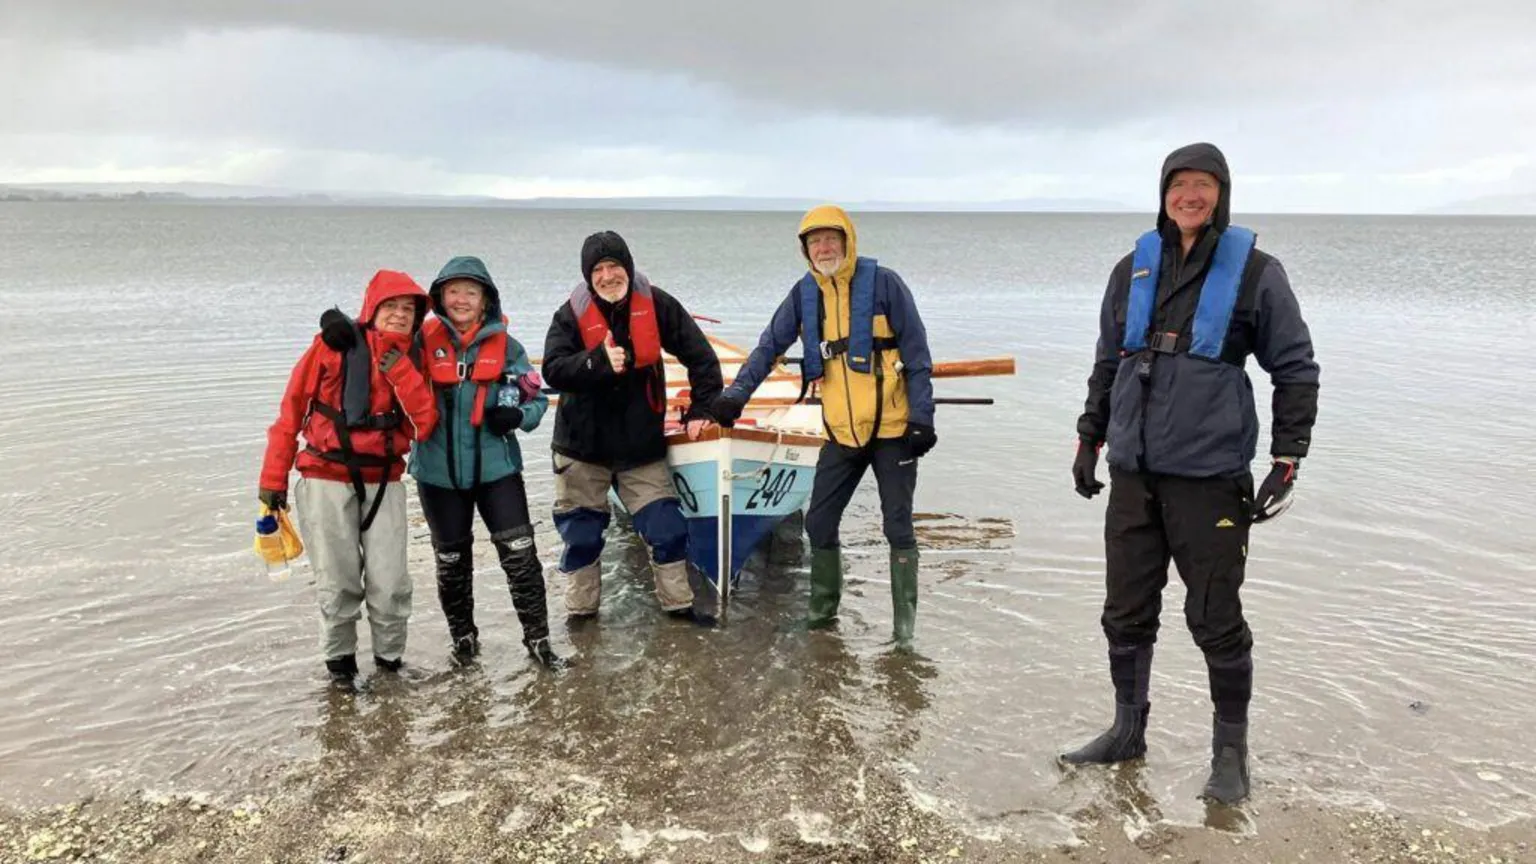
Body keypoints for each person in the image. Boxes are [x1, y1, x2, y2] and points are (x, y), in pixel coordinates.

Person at [1061, 143, 1320, 806]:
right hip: (1135, 473)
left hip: (1210, 476)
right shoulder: (1132, 270)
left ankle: (1229, 755)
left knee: (1215, 618)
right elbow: (1107, 361)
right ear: (1164, 194)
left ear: (1222, 194)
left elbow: (1295, 368)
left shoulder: (1257, 272)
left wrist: (1287, 458)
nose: (1190, 198)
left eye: (1203, 186)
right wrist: (1089, 437)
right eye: (1179, 187)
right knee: (1124, 613)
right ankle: (1127, 731)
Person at [708, 204, 937, 649]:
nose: (824, 248)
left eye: (831, 238)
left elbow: (918, 354)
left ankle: (903, 635)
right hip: (840, 432)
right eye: (815, 242)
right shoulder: (803, 294)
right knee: (819, 521)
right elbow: (767, 347)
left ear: (848, 241)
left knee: (897, 527)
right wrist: (735, 397)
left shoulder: (884, 284)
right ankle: (822, 613)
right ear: (805, 251)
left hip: (892, 430)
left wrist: (922, 418)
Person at [323, 256, 563, 669]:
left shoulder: (508, 347)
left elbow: (536, 398)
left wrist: (519, 417)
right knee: (452, 562)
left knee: (520, 555)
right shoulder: (418, 342)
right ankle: (464, 642)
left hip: (498, 473)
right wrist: (336, 326)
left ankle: (538, 640)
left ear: (486, 299)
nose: (462, 299)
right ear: (439, 298)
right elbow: (376, 338)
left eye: (471, 291)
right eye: (453, 291)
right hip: (436, 475)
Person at [260, 270, 438, 687]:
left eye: (408, 310)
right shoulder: (330, 347)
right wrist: (273, 480)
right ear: (371, 310)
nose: (398, 315)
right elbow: (290, 413)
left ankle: (390, 664)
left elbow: (425, 423)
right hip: (325, 478)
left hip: (385, 482)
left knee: (391, 583)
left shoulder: (414, 357)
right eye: (390, 307)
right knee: (337, 583)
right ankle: (340, 672)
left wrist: (403, 375)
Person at [541, 230, 723, 625]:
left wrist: (701, 411)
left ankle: (679, 608)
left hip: (639, 449)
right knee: (582, 537)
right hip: (580, 450)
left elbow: (703, 359)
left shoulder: (656, 305)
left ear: (629, 268)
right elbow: (554, 370)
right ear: (589, 277)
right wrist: (597, 362)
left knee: (668, 530)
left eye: (615, 266)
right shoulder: (569, 315)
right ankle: (581, 616)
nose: (608, 276)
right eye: (599, 269)